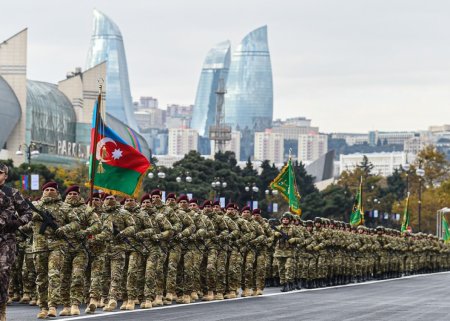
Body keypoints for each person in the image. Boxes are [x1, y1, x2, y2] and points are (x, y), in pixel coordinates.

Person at [0, 163, 33, 321]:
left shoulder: (12, 193)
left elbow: (28, 212)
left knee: (3, 273)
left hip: (6, 239)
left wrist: (18, 223)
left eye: (0, 173)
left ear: (5, 176)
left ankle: (1, 309)